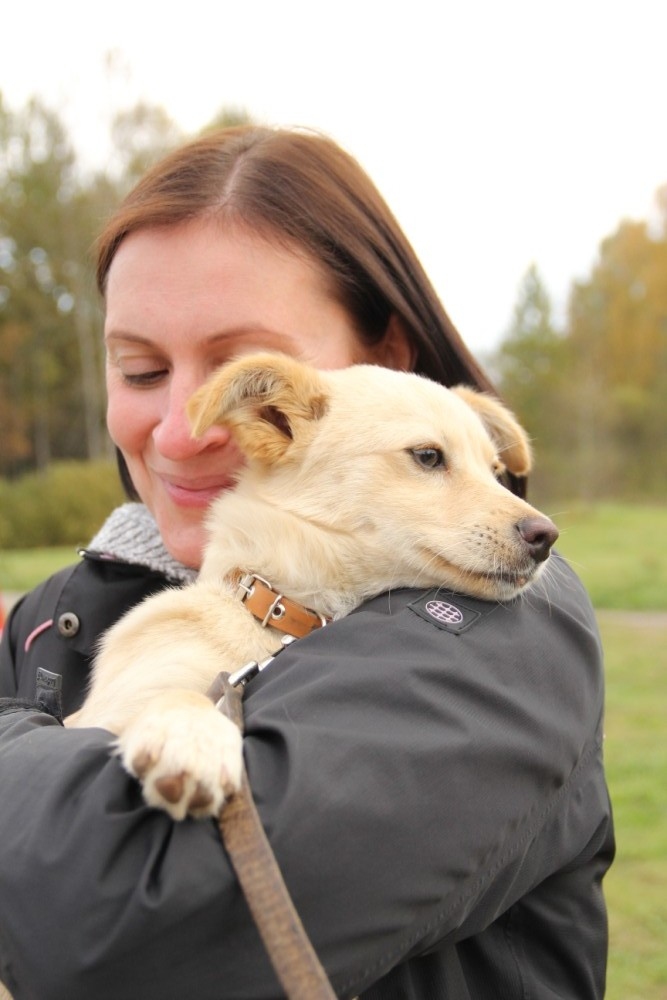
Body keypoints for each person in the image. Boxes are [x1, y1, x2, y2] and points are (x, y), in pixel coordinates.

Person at [0, 126, 614, 999]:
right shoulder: (64, 608)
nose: (181, 428)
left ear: (387, 357)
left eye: (241, 367)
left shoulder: (505, 642)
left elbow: (119, 933)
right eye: (139, 369)